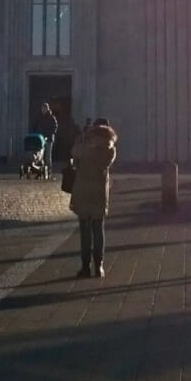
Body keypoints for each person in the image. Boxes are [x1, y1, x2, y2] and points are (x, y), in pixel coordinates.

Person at [69, 116, 116, 278]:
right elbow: (106, 163)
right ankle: (99, 266)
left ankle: (85, 266)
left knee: (84, 229)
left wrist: (83, 137)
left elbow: (75, 154)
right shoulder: (110, 148)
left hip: (83, 189)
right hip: (99, 192)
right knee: (98, 228)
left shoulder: (85, 144)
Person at [37, 102, 58, 178]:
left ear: (47, 109)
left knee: (48, 156)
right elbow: (37, 125)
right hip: (41, 138)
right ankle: (40, 170)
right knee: (40, 155)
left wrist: (49, 134)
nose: (43, 110)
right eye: (42, 108)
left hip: (49, 139)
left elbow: (55, 127)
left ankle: (49, 170)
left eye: (44, 108)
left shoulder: (51, 117)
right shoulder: (40, 117)